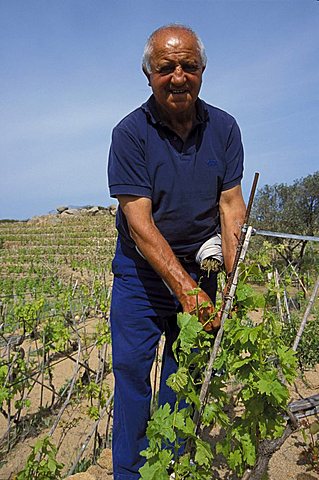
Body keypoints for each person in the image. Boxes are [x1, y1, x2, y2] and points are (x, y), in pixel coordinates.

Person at [107, 24, 246, 480]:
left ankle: (167, 465)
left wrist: (231, 282)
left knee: (181, 373)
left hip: (199, 267)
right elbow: (140, 224)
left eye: (188, 66)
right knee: (130, 375)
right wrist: (189, 294)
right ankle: (130, 472)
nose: (179, 76)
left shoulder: (224, 128)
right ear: (148, 75)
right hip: (141, 274)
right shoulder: (129, 134)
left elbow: (230, 207)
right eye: (166, 68)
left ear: (203, 70)